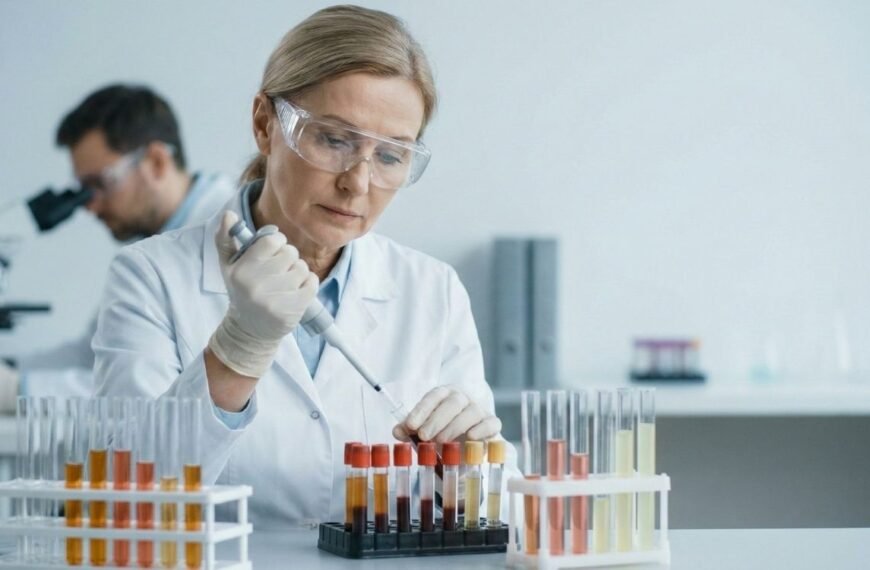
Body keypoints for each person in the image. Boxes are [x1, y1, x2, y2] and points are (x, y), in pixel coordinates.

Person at [93, 5, 520, 526]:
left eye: (390, 156)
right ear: (265, 125)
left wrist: (469, 465)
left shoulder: (433, 290)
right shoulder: (152, 276)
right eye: (334, 140)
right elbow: (122, 499)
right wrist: (238, 349)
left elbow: (498, 510)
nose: (358, 183)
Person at [0, 85, 236, 408]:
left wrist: (18, 389)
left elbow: (148, 388)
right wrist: (13, 370)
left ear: (155, 162)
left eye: (101, 184)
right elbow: (95, 353)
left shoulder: (228, 235)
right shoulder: (151, 249)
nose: (89, 207)